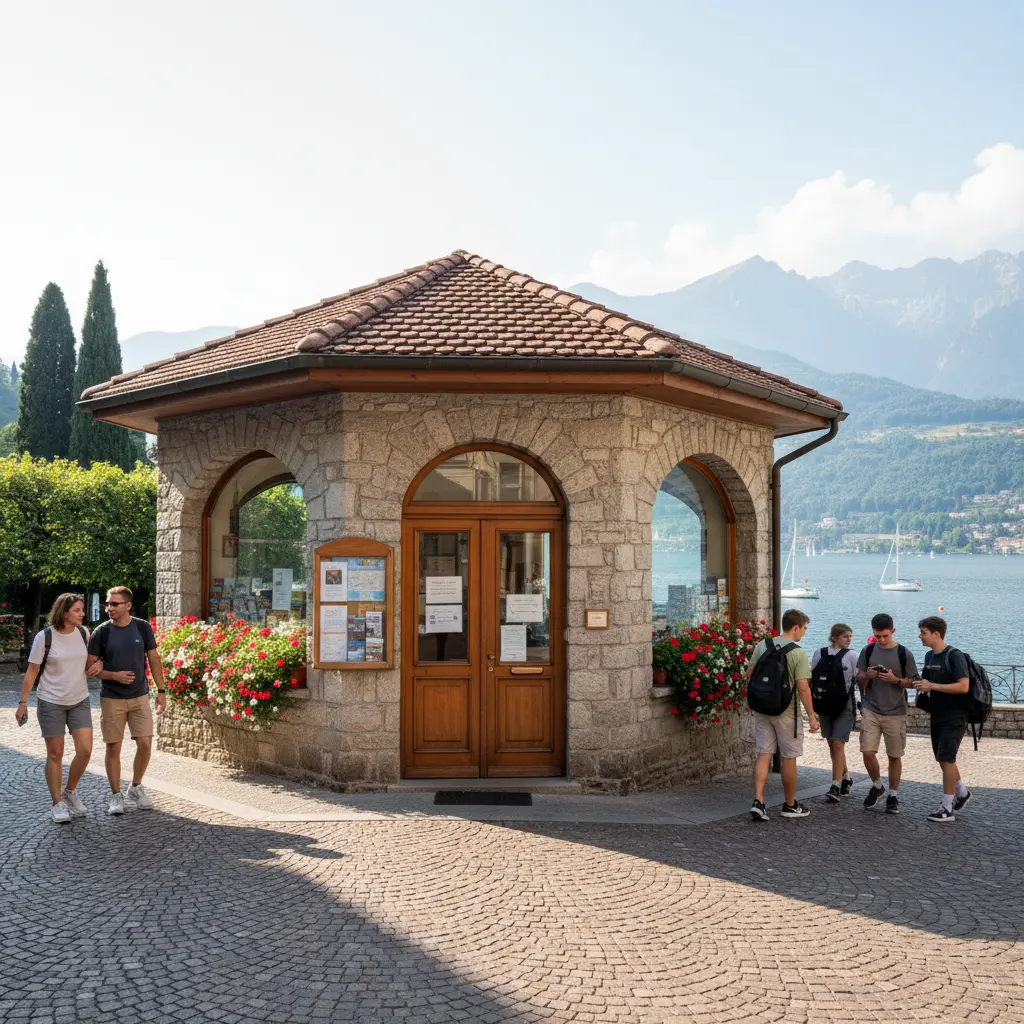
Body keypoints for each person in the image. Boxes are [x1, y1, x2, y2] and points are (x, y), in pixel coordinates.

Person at [14, 594, 103, 823]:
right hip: (50, 701)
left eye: (82, 610)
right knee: (55, 754)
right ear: (64, 613)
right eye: (77, 610)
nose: (82, 614)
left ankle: (70, 792)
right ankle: (57, 803)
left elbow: (91, 661)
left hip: (79, 699)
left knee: (85, 750)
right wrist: (23, 703)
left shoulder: (84, 633)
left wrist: (99, 663)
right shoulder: (45, 637)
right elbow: (32, 672)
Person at [85, 586, 166, 815]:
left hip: (140, 695)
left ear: (128, 605)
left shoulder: (142, 627)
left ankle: (135, 787)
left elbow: (154, 658)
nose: (109, 608)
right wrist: (113, 675)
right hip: (112, 698)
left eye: (114, 604)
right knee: (114, 747)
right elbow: (89, 668)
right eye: (108, 604)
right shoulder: (102, 632)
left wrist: (161, 691)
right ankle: (115, 795)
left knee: (146, 744)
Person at [748, 608, 819, 821]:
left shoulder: (763, 645)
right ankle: (790, 804)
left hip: (763, 709)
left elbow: (750, 674)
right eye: (804, 628)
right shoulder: (798, 652)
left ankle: (758, 801)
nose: (804, 632)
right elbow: (803, 687)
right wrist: (813, 717)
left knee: (764, 753)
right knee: (789, 758)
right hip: (787, 712)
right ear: (795, 627)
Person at [856, 613, 919, 815]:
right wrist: (868, 675)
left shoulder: (904, 653)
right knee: (867, 752)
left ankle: (893, 794)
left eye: (884, 635)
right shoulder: (867, 651)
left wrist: (895, 680)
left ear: (893, 631)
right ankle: (877, 785)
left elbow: (914, 682)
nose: (881, 640)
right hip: (871, 708)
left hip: (896, 711)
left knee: (894, 755)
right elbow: (859, 679)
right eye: (877, 636)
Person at [916, 616, 972, 823]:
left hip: (954, 716)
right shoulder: (930, 656)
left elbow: (963, 686)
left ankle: (947, 808)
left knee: (947, 759)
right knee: (942, 758)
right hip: (937, 715)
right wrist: (921, 685)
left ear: (936, 634)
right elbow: (928, 682)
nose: (920, 636)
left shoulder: (954, 656)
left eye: (923, 632)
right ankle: (962, 791)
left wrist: (933, 686)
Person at [810, 623, 858, 803]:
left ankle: (835, 785)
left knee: (838, 744)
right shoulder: (819, 653)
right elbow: (811, 678)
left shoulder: (852, 655)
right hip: (824, 704)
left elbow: (857, 679)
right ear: (835, 637)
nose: (849, 639)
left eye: (850, 636)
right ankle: (846, 778)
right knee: (832, 744)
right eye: (845, 636)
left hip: (844, 705)